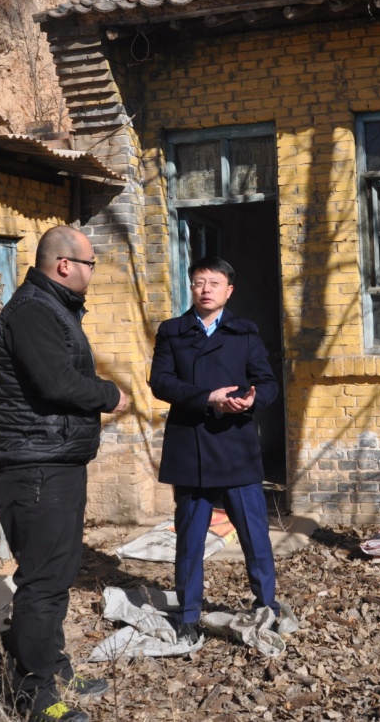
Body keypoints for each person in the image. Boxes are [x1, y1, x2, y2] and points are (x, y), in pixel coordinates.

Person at [0, 225, 129, 722]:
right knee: (43, 580)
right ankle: (32, 692)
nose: (92, 273)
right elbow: (56, 382)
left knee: (58, 574)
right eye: (90, 264)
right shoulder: (33, 311)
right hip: (35, 466)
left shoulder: (52, 308)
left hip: (54, 461)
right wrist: (109, 394)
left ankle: (52, 666)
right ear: (65, 265)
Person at [149, 256, 281, 643]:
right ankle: (188, 615)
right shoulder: (173, 331)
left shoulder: (244, 332)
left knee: (254, 536)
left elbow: (267, 382)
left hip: (235, 447)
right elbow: (161, 382)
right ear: (191, 287)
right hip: (191, 449)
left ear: (229, 290)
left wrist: (253, 399)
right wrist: (207, 398)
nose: (205, 289)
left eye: (214, 283)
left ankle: (267, 607)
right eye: (198, 282)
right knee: (190, 539)